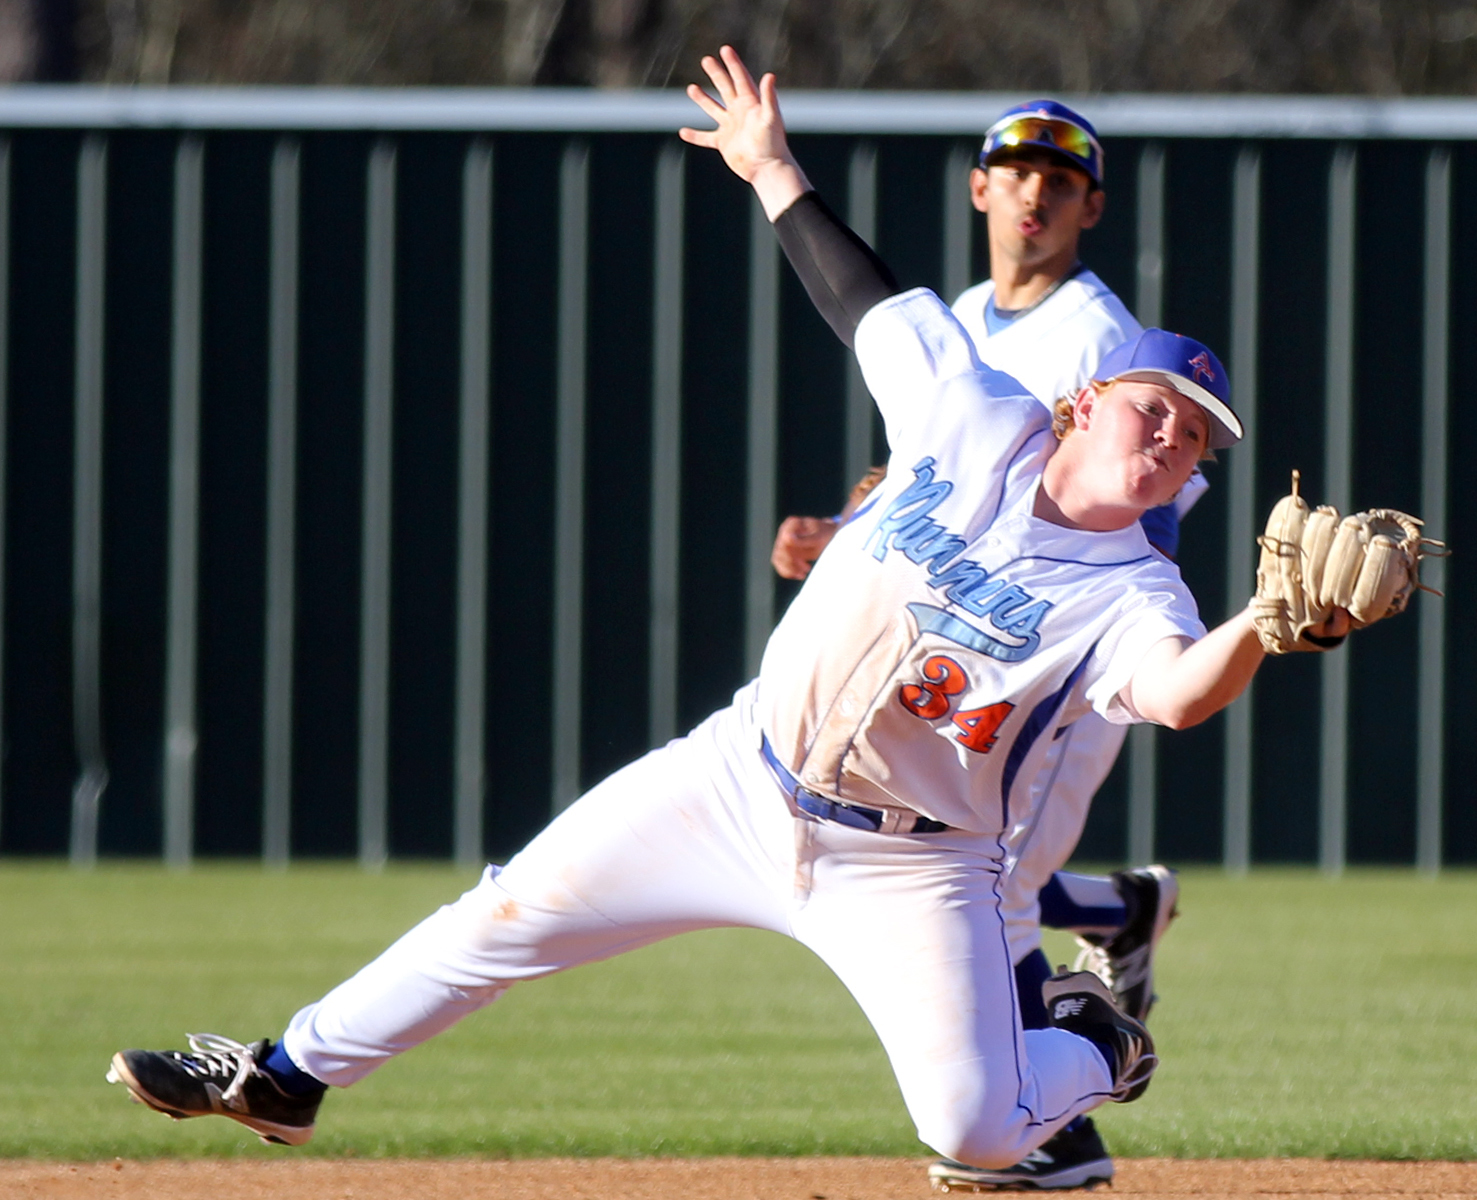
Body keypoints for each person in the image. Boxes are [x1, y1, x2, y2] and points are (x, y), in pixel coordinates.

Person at [106, 47, 1345, 1171]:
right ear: (1084, 404)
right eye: (1155, 410)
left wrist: (1265, 626)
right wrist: (769, 167)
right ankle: (285, 1075)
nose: (1171, 439)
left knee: (972, 1127)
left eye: (1197, 440)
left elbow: (1177, 694)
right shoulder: (971, 409)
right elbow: (861, 300)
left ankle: (1098, 1046)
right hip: (740, 778)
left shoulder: (1135, 585)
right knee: (506, 914)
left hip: (913, 863)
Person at [770, 97, 1195, 1190]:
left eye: (1060, 178)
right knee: (978, 877)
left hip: (1055, 659)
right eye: (1015, 170)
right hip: (965, 651)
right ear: (981, 188)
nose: (1034, 191)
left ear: (1091, 205)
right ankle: (1118, 913)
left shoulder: (1096, 339)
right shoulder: (971, 312)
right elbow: (936, 481)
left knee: (986, 881)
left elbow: (1109, 513)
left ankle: (1060, 1134)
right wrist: (847, 530)